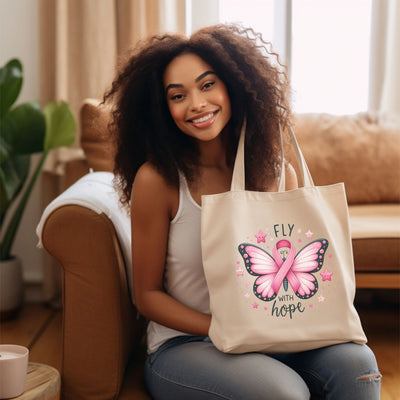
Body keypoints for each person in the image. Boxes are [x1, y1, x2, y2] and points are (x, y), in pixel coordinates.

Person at [104, 24, 381, 400]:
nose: (197, 104)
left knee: (358, 366)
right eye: (177, 95)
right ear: (162, 108)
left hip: (280, 333)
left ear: (234, 85)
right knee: (284, 393)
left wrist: (266, 328)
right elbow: (147, 295)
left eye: (207, 85)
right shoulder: (158, 180)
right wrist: (225, 325)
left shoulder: (277, 171)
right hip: (189, 345)